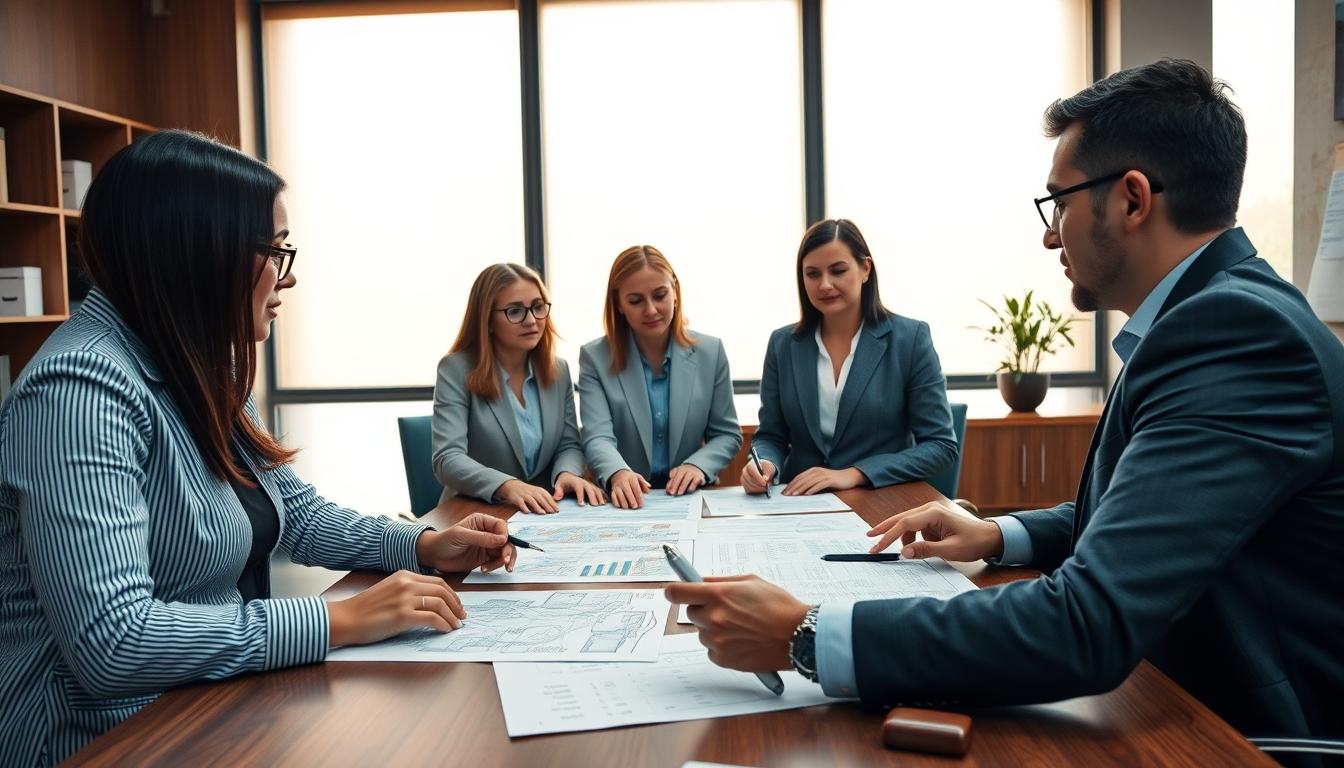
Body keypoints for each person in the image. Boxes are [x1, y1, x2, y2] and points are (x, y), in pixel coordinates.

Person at [667, 59, 1344, 744]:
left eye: (1060, 203)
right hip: (1173, 692)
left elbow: (1086, 623)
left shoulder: (1233, 333)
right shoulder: (1210, 315)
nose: (1050, 235)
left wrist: (805, 633)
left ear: (1133, 200)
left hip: (1247, 736)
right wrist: (997, 533)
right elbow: (1148, 521)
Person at [0, 130, 516, 766]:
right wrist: (336, 620)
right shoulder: (79, 390)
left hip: (210, 704)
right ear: (199, 250)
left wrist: (423, 545)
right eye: (275, 251)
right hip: (101, 737)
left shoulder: (202, 360)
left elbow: (294, 514)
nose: (288, 277)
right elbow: (115, 642)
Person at [741, 219, 957, 496]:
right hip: (801, 502)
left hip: (881, 501)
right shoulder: (782, 344)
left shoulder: (910, 339)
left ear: (865, 269)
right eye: (812, 274)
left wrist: (855, 473)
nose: (825, 285)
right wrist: (764, 463)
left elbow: (940, 446)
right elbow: (771, 435)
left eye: (838, 271)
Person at [433, 263, 605, 513]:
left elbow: (568, 444)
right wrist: (507, 486)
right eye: (515, 311)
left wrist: (566, 473)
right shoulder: (456, 369)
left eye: (538, 307)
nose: (531, 320)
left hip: (542, 512)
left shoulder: (558, 370)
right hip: (473, 512)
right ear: (487, 320)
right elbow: (447, 458)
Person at [578, 245, 741, 508]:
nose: (651, 310)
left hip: (690, 497)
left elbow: (727, 434)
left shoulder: (711, 352)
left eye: (660, 295)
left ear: (675, 291)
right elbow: (597, 436)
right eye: (636, 301)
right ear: (618, 304)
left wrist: (698, 466)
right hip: (625, 501)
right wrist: (618, 473)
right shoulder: (595, 358)